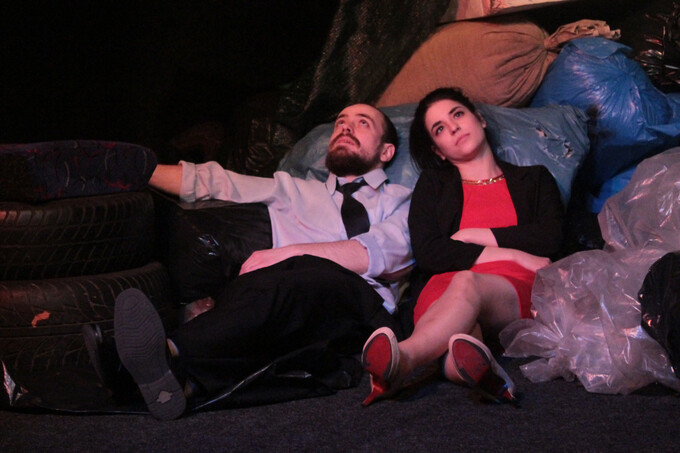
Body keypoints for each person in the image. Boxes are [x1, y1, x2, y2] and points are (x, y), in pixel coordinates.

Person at [104, 104, 414, 420]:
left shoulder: (402, 199)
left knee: (295, 275)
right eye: (340, 122)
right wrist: (128, 170)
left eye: (362, 123)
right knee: (252, 289)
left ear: (386, 151)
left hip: (361, 307)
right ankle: (177, 382)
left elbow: (379, 254)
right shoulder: (292, 189)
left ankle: (164, 351)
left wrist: (289, 254)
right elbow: (213, 181)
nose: (345, 127)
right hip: (286, 300)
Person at [360, 87, 564, 406]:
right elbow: (429, 252)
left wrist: (476, 235)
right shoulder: (433, 185)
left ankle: (404, 359)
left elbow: (550, 237)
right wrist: (514, 253)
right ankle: (488, 375)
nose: (453, 127)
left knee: (467, 281)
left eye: (457, 114)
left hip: (515, 287)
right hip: (443, 287)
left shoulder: (534, 179)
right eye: (440, 128)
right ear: (438, 150)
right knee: (461, 342)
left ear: (480, 119)